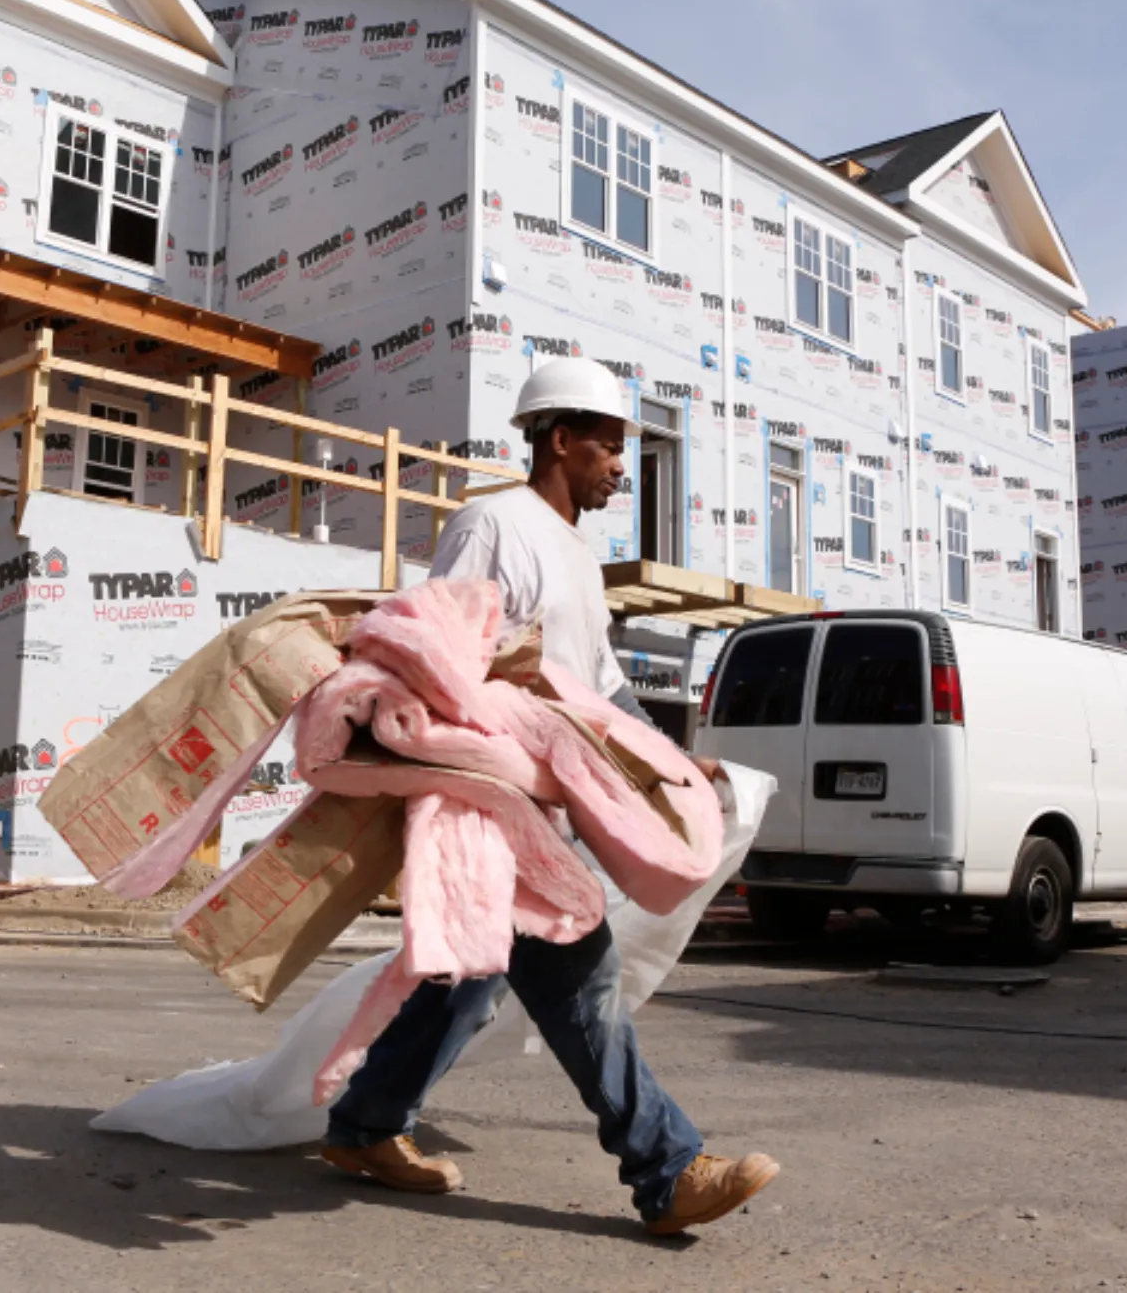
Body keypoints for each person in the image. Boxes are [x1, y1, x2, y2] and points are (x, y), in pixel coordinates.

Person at [317, 358, 780, 1236]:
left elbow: (600, 688)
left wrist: (671, 763)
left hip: (546, 801)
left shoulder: (577, 554)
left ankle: (364, 1124)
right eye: (608, 446)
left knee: (469, 978)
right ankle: (667, 1169)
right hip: (490, 800)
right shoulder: (491, 523)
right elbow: (434, 653)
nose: (620, 464)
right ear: (558, 439)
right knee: (581, 973)